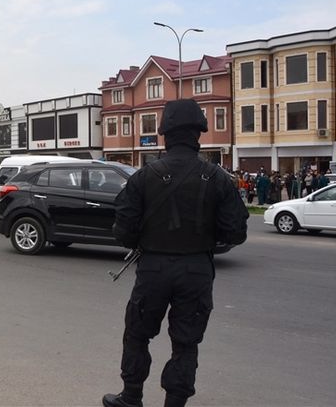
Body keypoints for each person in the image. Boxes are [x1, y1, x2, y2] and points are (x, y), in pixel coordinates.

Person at [103, 99, 249, 407]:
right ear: (199, 134)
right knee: (186, 343)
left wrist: (148, 238)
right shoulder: (220, 178)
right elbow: (235, 233)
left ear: (164, 134)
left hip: (153, 268)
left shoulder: (143, 177)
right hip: (196, 269)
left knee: (138, 335)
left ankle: (131, 398)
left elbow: (122, 231)